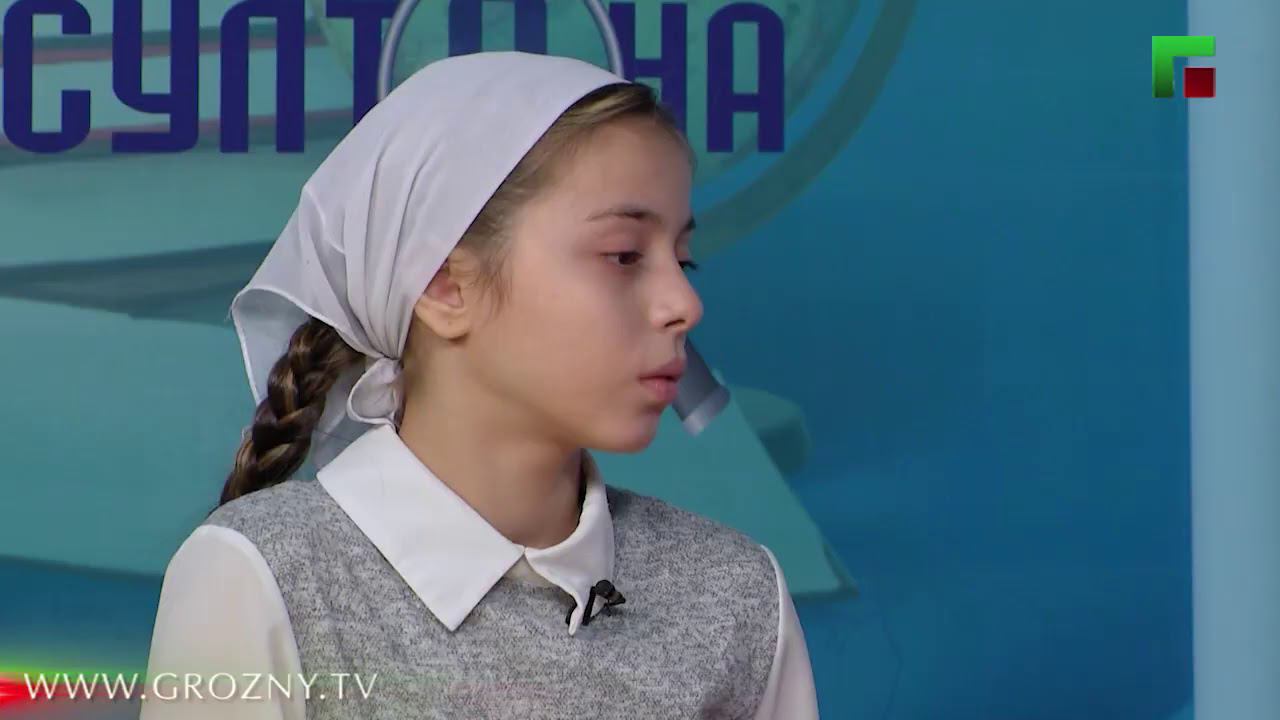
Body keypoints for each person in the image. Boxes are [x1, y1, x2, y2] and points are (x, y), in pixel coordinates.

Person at [140, 50, 818, 719]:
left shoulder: (739, 597)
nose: (684, 304)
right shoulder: (260, 579)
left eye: (683, 259)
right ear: (444, 283)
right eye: (623, 255)